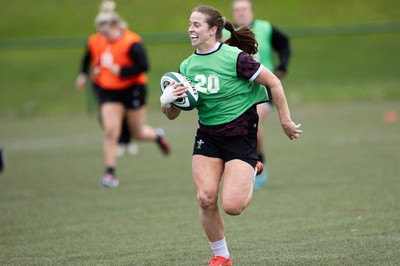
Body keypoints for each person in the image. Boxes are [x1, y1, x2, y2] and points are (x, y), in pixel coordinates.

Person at [160, 5, 302, 265]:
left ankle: (253, 167)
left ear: (213, 30)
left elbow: (274, 83)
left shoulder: (236, 58)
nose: (190, 29)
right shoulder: (186, 65)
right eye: (189, 24)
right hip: (208, 137)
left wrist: (285, 121)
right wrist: (167, 102)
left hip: (241, 136)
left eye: (196, 25)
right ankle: (222, 256)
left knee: (233, 207)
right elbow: (174, 114)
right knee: (205, 198)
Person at [75, 0, 170, 188]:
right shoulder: (96, 40)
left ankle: (157, 135)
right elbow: (87, 57)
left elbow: (144, 66)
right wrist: (83, 74)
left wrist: (121, 71)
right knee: (111, 131)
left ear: (117, 26)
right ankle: (110, 174)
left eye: (107, 31)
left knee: (138, 133)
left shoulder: (132, 42)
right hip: (109, 90)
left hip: (133, 89)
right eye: (101, 31)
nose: (103, 35)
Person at [231, 0, 291, 189]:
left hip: (263, 88)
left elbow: (284, 44)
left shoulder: (265, 28)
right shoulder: (225, 33)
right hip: (236, 90)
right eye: (237, 10)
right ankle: (237, 166)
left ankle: (259, 163)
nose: (241, 12)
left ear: (251, 11)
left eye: (244, 9)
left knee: (253, 120)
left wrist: (282, 65)